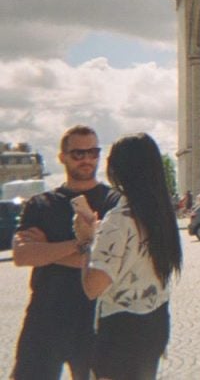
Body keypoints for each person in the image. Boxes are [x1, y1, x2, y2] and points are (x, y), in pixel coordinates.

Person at [10, 124, 121, 380]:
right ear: (62, 157)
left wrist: (48, 251)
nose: (86, 159)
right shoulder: (40, 204)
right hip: (45, 317)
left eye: (93, 152)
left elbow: (111, 262)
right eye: (78, 154)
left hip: (96, 319)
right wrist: (82, 244)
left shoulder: (114, 203)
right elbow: (22, 255)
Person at [74, 133, 183, 380]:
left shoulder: (119, 220)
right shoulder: (163, 217)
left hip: (121, 333)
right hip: (155, 324)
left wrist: (86, 241)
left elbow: (93, 286)